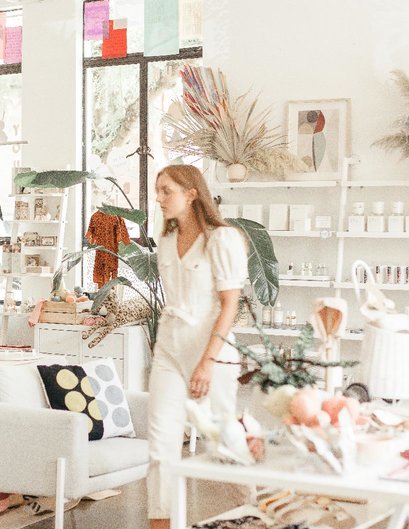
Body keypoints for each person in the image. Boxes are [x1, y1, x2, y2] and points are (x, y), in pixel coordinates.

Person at [148, 164, 248, 529]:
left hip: (212, 353)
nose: (159, 198)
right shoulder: (165, 242)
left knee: (221, 442)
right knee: (160, 448)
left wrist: (207, 363)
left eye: (166, 190)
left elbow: (230, 305)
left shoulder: (222, 240)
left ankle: (256, 514)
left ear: (192, 193)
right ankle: (160, 522)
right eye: (157, 190)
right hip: (169, 351)